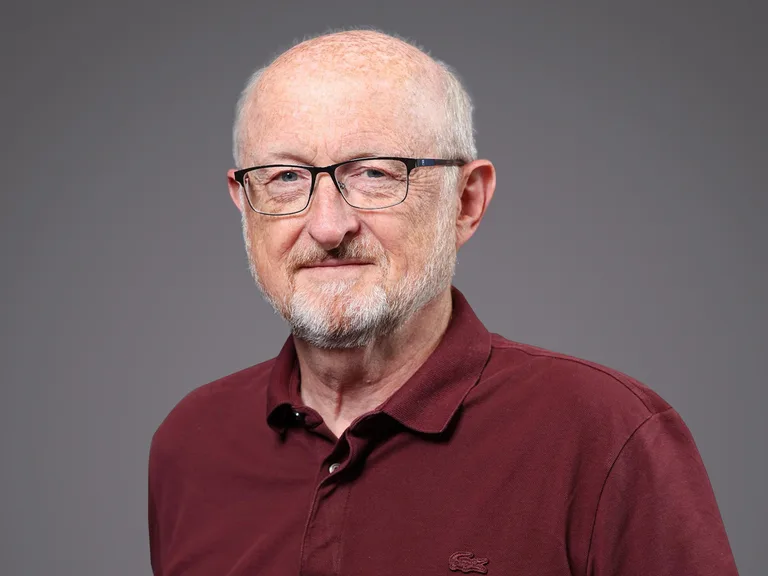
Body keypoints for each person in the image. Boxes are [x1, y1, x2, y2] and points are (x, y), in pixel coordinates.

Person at [147, 29, 739, 575]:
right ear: (244, 203)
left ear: (466, 202)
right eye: (284, 178)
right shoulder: (191, 444)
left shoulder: (605, 435)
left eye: (376, 174)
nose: (328, 226)